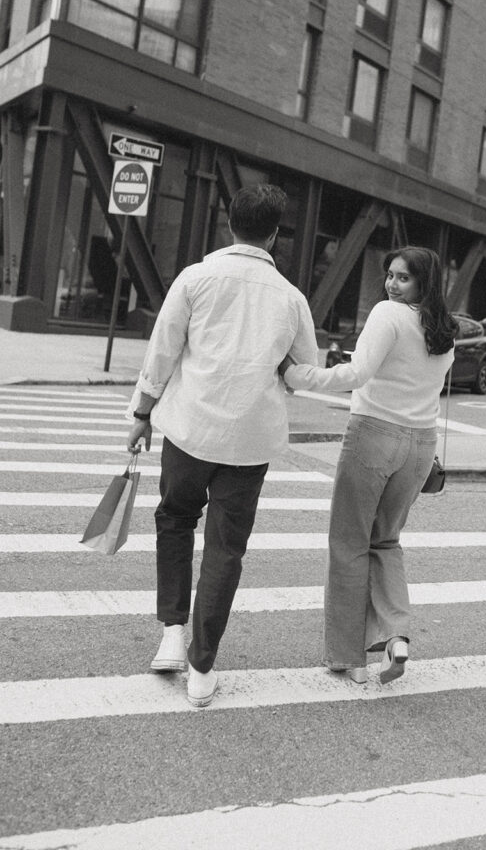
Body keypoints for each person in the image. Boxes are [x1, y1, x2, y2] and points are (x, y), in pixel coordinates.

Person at [126, 184, 318, 708]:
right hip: (250, 441)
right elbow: (301, 372)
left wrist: (142, 414)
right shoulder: (291, 298)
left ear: (229, 223)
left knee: (175, 520)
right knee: (226, 549)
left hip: (190, 428)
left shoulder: (195, 278)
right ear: (275, 234)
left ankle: (171, 632)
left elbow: (162, 352)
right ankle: (202, 665)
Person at [282, 246, 456, 685]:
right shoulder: (444, 330)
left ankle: (347, 657)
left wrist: (298, 376)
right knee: (387, 542)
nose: (392, 285)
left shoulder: (388, 314)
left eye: (404, 278)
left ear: (423, 283)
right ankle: (397, 636)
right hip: (420, 445)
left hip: (375, 434)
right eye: (391, 276)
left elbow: (355, 374)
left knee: (348, 544)